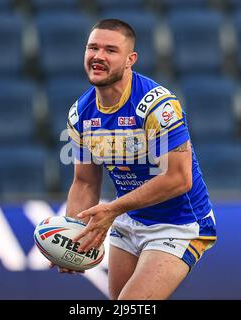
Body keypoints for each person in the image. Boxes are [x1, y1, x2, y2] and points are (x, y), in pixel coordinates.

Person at [51, 18, 217, 300]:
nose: (98, 56)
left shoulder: (157, 106)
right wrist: (72, 237)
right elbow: (85, 182)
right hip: (128, 220)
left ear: (131, 59)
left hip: (180, 223)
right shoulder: (80, 113)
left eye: (110, 50)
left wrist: (112, 209)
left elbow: (179, 178)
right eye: (92, 48)